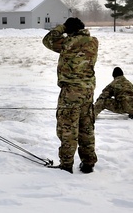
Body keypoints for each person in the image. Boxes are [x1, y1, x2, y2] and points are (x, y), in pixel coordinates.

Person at [42, 17, 99, 174]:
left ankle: (66, 164)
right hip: (88, 91)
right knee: (86, 127)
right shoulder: (93, 41)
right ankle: (88, 163)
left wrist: (62, 28)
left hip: (71, 92)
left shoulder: (68, 43)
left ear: (70, 30)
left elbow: (47, 40)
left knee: (68, 128)